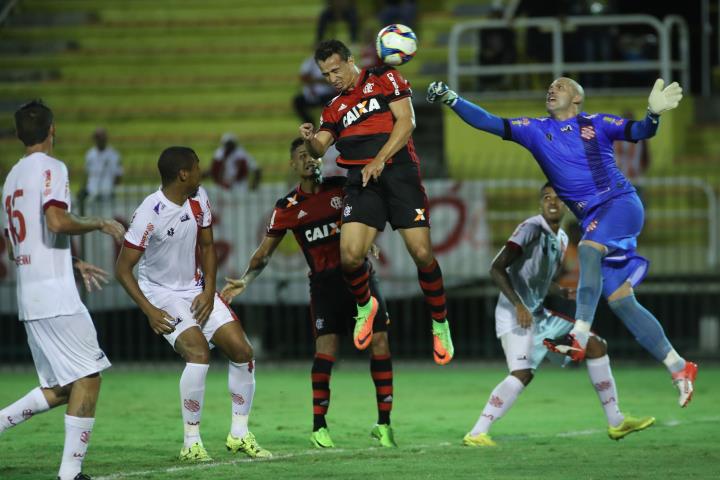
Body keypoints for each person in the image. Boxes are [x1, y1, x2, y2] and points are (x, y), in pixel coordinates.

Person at [427, 77, 698, 406]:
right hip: (595, 220)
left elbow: (641, 132)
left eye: (561, 86)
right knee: (621, 301)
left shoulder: (597, 124)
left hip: (621, 204)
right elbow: (489, 122)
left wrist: (652, 114)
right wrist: (452, 98)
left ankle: (579, 334)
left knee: (587, 247)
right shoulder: (535, 130)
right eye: (550, 86)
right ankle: (680, 367)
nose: (552, 89)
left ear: (577, 98)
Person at [222, 138, 397, 449]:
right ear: (293, 165)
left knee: (380, 343)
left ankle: (384, 424)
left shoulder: (342, 188)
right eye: (302, 157)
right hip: (325, 286)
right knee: (326, 352)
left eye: (313, 155)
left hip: (360, 277)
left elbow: (368, 214)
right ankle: (319, 427)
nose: (309, 161)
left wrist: (367, 237)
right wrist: (246, 279)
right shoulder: (287, 207)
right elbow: (264, 253)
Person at [300, 39, 454, 366]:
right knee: (350, 257)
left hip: (398, 173)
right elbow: (320, 148)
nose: (333, 78)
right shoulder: (334, 107)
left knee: (422, 254)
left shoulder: (385, 77)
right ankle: (365, 305)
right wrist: (310, 139)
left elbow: (406, 121)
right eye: (326, 74)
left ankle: (440, 323)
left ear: (350, 60)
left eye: (336, 69)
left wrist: (381, 159)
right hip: (361, 180)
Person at [464, 183, 655, 447]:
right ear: (540, 203)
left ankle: (616, 422)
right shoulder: (531, 228)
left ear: (566, 204)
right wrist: (519, 305)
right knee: (522, 372)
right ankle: (476, 433)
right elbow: (497, 268)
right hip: (515, 313)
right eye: (546, 198)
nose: (552, 203)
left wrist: (559, 291)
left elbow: (537, 278)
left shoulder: (562, 239)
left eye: (558, 198)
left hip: (538, 315)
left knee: (596, 346)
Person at [115, 146, 271, 462]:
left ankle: (239, 434)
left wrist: (209, 289)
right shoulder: (150, 212)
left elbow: (208, 245)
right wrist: (149, 310)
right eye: (198, 167)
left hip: (197, 289)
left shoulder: (199, 198)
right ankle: (191, 442)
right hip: (162, 294)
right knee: (198, 354)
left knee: (243, 352)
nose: (202, 172)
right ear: (183, 173)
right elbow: (122, 268)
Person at [0, 100, 125, 480]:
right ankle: (69, 475)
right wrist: (99, 222)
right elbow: (56, 220)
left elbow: (16, 243)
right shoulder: (53, 168)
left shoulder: (10, 179)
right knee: (89, 377)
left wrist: (70, 262)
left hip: (30, 295)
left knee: (61, 386)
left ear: (20, 135)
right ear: (53, 129)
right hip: (55, 297)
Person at [294, 50, 338, 124]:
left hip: (326, 94)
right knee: (297, 101)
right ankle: (310, 124)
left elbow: (332, 80)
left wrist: (312, 80)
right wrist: (320, 80)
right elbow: (303, 78)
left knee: (333, 102)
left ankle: (329, 125)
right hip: (310, 95)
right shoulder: (309, 62)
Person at [83, 127, 123, 201]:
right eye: (98, 138)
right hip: (92, 192)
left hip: (107, 193)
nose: (100, 140)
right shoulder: (90, 154)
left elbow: (118, 175)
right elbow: (87, 174)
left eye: (102, 137)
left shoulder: (114, 154)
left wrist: (113, 190)